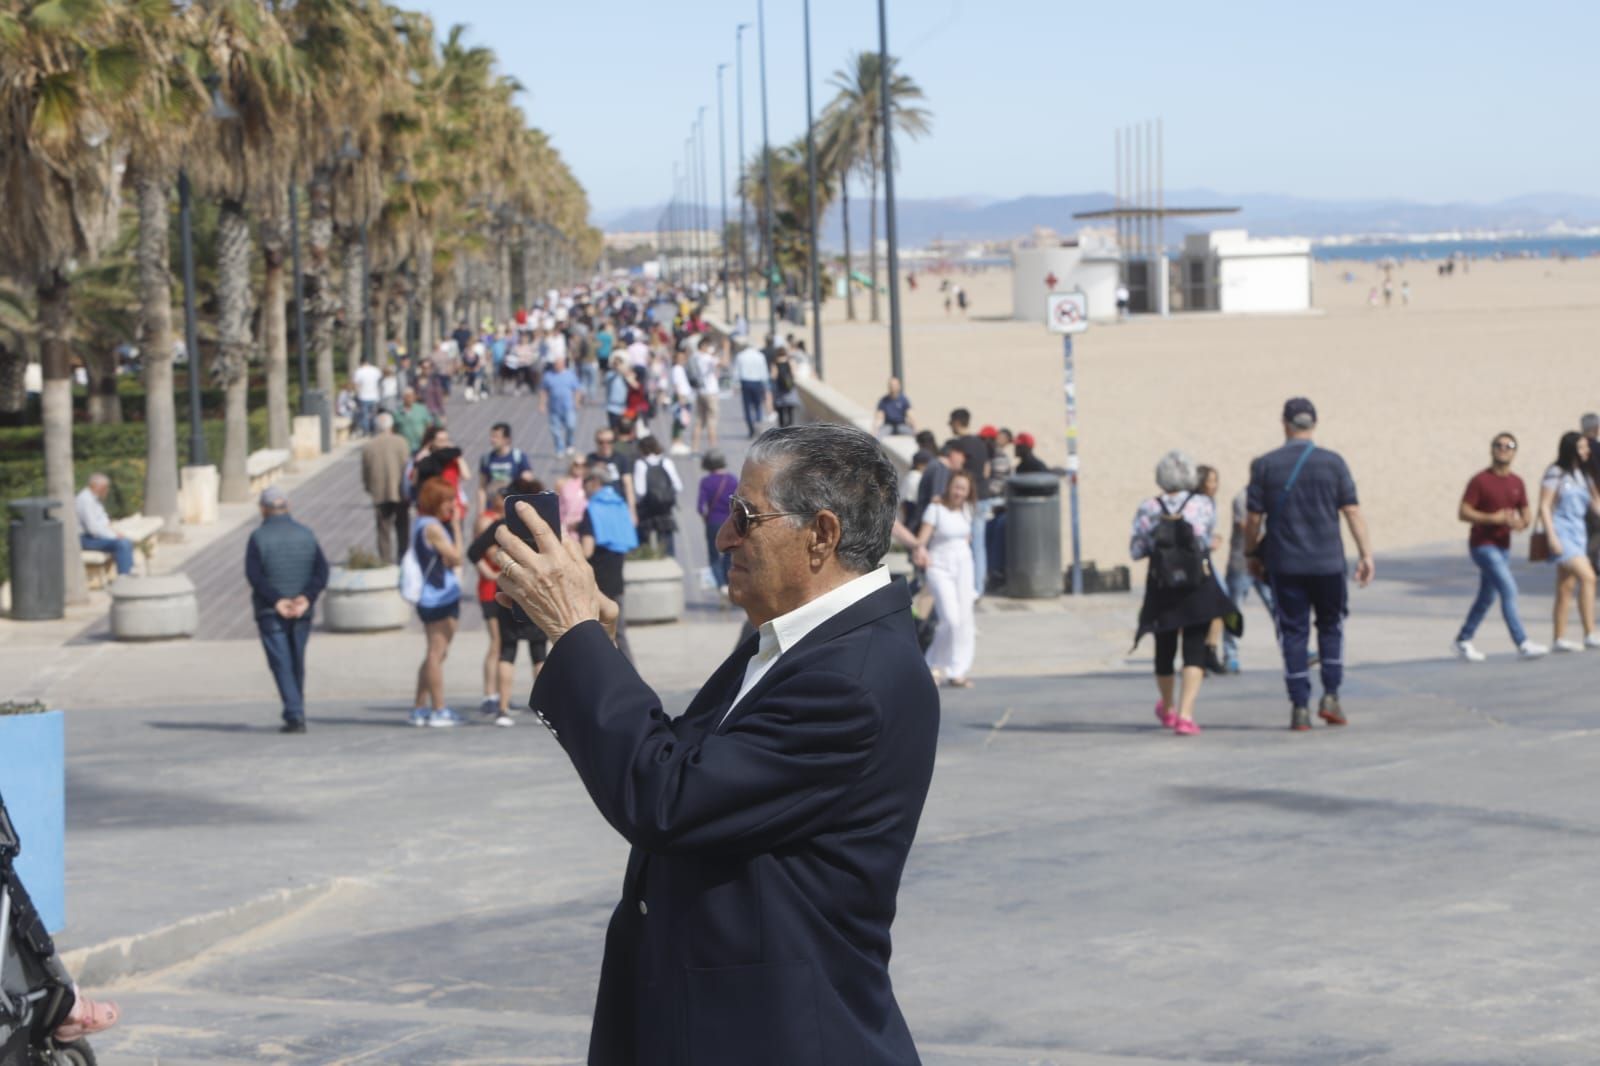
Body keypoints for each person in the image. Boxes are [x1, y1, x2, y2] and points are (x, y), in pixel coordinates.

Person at [492, 422, 938, 1065]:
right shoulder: (798, 643)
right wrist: (600, 650)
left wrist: (574, 634)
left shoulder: (851, 680)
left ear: (821, 535)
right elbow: (690, 763)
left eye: (745, 515)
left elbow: (666, 798)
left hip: (778, 1038)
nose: (725, 535)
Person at [1245, 397, 1375, 732]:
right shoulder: (1333, 463)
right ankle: (1331, 695)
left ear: (1285, 423)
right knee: (1331, 625)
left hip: (1285, 563)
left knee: (1293, 632)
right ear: (1313, 424)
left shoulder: (1266, 465)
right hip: (1328, 563)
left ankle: (1299, 706)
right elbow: (1352, 511)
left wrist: (1249, 555)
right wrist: (1366, 554)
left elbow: (1253, 518)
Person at [1131, 451, 1239, 736]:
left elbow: (1137, 550)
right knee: (1194, 649)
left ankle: (1166, 708)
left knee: (1164, 650)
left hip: (1162, 585)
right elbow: (1203, 540)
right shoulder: (1202, 504)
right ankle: (1186, 715)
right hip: (1195, 585)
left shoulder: (1148, 507)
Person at [1454, 433, 1547, 661]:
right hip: (1483, 546)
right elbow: (1463, 512)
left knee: (1487, 596)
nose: (1503, 449)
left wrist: (1520, 523)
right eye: (1499, 445)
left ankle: (1463, 639)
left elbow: (1526, 513)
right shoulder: (1480, 481)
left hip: (1504, 546)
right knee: (1509, 589)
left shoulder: (1517, 483)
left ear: (1515, 452)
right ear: (1492, 449)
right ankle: (1522, 642)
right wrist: (1491, 518)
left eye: (1509, 446)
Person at [245, 487, 328, 734]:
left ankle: (294, 713)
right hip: (302, 611)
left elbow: (254, 575)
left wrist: (277, 601)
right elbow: (321, 572)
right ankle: (296, 709)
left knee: (281, 662)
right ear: (288, 507)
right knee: (296, 660)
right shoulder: (307, 534)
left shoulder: (258, 537)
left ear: (263, 509)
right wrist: (305, 598)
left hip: (272, 612)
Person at [1537, 431, 1600, 652]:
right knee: (1589, 577)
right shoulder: (1556, 473)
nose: (1586, 451)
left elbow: (1595, 504)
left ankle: (1559, 638)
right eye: (1581, 447)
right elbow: (1545, 505)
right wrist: (1551, 536)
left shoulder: (1583, 474)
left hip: (1578, 533)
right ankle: (1590, 632)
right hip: (1561, 532)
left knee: (1566, 586)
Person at [915, 469, 979, 688]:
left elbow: (967, 537)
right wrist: (920, 550)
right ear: (949, 486)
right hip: (939, 567)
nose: (959, 492)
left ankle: (957, 669)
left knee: (964, 619)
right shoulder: (935, 509)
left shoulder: (968, 510)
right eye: (956, 487)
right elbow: (922, 538)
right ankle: (933, 663)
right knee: (950, 619)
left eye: (964, 489)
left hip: (963, 565)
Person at [409, 477, 464, 728]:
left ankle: (419, 707)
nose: (452, 505)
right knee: (436, 652)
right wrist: (457, 527)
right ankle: (438, 709)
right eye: (448, 500)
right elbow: (456, 557)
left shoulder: (422, 523)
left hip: (435, 595)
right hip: (437, 596)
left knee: (435, 652)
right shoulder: (432, 527)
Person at [576, 466, 637, 663]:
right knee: (619, 632)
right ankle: (632, 675)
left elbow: (587, 550)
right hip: (616, 577)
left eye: (585, 483)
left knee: (596, 635)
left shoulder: (592, 509)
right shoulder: (619, 504)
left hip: (597, 582)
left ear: (594, 483)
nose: (583, 489)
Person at [472, 486, 513, 725]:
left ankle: (500, 692)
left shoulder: (502, 521)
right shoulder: (486, 520)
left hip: (502, 585)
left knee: (504, 642)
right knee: (496, 642)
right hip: (490, 588)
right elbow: (487, 552)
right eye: (503, 496)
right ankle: (490, 694)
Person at [360, 411, 412, 565]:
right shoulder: (401, 442)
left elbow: (365, 472)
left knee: (383, 530)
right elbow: (407, 467)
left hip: (379, 493)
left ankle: (385, 560)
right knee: (402, 528)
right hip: (400, 492)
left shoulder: (369, 446)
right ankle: (403, 558)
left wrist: (370, 488)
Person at [74, 473, 135, 576]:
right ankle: (124, 577)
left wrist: (115, 533)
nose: (107, 490)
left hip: (95, 537)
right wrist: (114, 536)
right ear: (97, 486)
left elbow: (104, 521)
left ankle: (128, 572)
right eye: (105, 487)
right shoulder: (85, 500)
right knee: (122, 544)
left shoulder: (94, 499)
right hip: (86, 538)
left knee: (126, 541)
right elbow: (93, 529)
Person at [697, 449, 738, 597]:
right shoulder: (732, 480)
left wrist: (706, 520)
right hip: (730, 522)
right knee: (729, 554)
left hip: (713, 523)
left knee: (714, 556)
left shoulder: (705, 482)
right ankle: (728, 583)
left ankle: (721, 585)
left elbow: (700, 507)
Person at [633, 435, 682, 556]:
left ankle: (645, 558)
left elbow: (640, 491)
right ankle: (669, 560)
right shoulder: (666, 461)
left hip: (647, 509)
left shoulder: (640, 464)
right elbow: (678, 486)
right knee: (666, 540)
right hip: (665, 508)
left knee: (643, 538)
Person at [477, 422, 533, 512]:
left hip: (512, 507)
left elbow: (527, 484)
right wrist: (480, 512)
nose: (492, 440)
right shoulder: (486, 458)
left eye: (496, 437)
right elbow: (482, 488)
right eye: (491, 436)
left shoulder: (519, 457)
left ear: (507, 439)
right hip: (493, 508)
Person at [540, 353, 583, 457]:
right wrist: (542, 404)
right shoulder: (548, 376)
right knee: (555, 429)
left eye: (559, 364)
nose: (557, 366)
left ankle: (569, 444)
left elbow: (577, 389)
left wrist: (577, 401)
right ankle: (559, 448)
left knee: (571, 425)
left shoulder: (570, 375)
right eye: (555, 364)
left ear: (564, 364)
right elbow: (544, 390)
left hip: (568, 406)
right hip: (554, 407)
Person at [689, 336, 723, 454]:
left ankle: (694, 448)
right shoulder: (707, 358)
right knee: (712, 421)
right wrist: (727, 348)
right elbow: (724, 363)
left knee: (699, 421)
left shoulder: (695, 356)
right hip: (711, 392)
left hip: (700, 392)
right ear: (703, 346)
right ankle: (713, 449)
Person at [733, 336, 770, 437]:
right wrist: (766, 384)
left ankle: (751, 428)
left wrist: (735, 385)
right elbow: (764, 371)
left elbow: (736, 371)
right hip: (757, 382)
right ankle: (758, 423)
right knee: (758, 405)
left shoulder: (741, 356)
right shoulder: (760, 356)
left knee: (747, 406)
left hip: (746, 382)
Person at [1581, 412, 1600, 574]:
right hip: (1594, 498)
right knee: (1595, 531)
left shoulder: (1573, 447)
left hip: (1574, 498)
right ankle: (1589, 563)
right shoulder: (1597, 448)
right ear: (1596, 428)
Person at [392, 387, 436, 454]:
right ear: (403, 398)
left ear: (414, 397)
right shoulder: (397, 412)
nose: (409, 398)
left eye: (411, 396)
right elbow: (394, 430)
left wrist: (428, 442)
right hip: (405, 447)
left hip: (421, 445)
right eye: (407, 396)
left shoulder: (422, 409)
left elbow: (429, 425)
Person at [770, 345, 799, 428]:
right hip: (789, 389)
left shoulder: (775, 363)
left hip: (780, 390)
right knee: (790, 411)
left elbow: (773, 376)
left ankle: (782, 429)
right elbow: (794, 374)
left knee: (781, 412)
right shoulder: (790, 361)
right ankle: (790, 428)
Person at [352, 357, 383, 436]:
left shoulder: (359, 371)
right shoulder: (375, 370)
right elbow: (380, 381)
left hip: (363, 396)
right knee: (374, 414)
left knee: (364, 415)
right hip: (375, 396)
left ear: (361, 363)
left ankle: (366, 431)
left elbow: (356, 384)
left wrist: (356, 393)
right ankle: (374, 430)